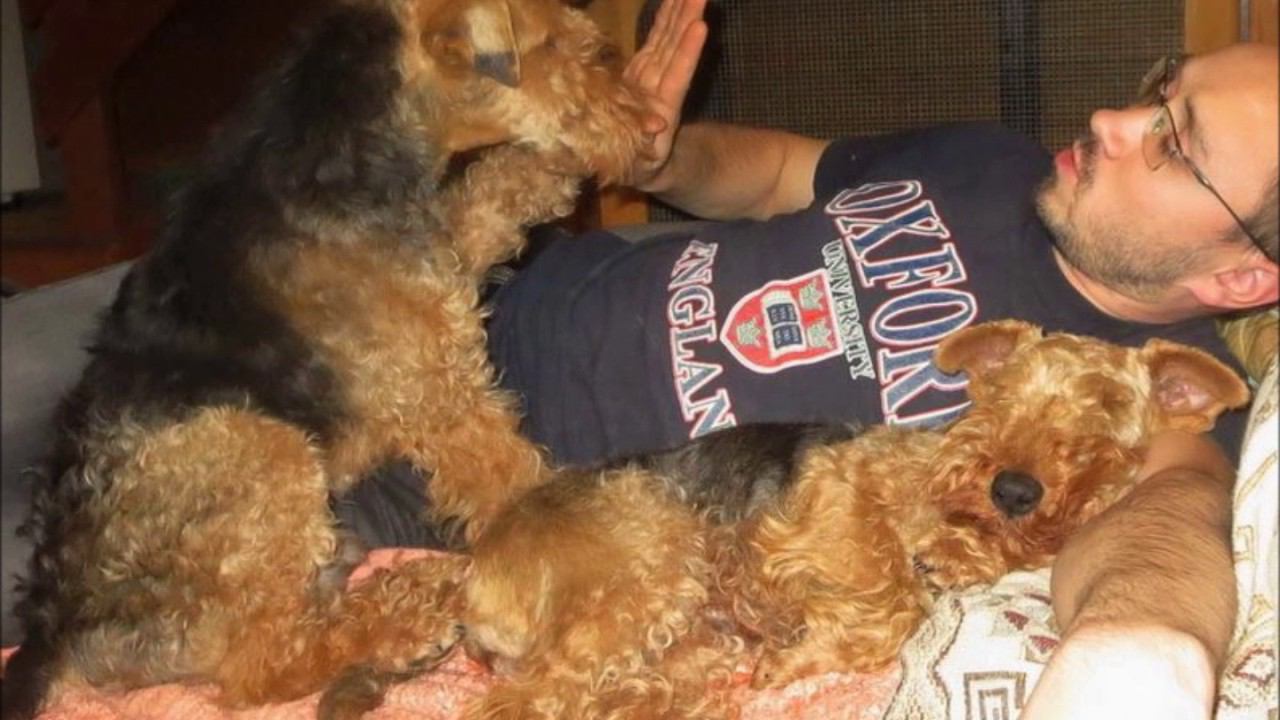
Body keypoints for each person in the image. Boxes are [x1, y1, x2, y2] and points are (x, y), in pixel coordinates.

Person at [475, 0, 1277, 718]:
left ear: (1241, 276)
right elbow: (775, 177)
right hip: (494, 292)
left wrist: (1140, 648)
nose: (1113, 119)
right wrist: (662, 160)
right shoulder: (993, 159)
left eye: (1177, 144)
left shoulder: (1167, 388)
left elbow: (1170, 517)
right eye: (1161, 90)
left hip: (530, 493)